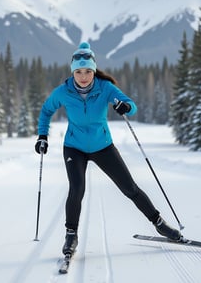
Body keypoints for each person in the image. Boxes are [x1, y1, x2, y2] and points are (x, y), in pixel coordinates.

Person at [35, 42, 181, 256]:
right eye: (78, 71)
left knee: (130, 188)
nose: (83, 76)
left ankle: (159, 223)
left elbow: (131, 104)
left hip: (102, 146)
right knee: (77, 190)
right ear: (72, 72)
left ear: (93, 71)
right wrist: (42, 136)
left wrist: (126, 107)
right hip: (74, 147)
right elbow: (46, 111)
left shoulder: (105, 88)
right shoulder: (63, 92)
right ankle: (71, 236)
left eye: (87, 71)